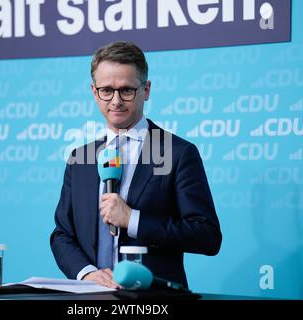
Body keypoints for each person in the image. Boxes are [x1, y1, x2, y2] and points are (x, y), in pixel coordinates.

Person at [50, 41, 221, 289]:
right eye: (106, 90)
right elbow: (62, 234)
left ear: (146, 90)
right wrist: (86, 274)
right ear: (93, 92)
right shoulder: (80, 158)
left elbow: (207, 236)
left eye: (127, 90)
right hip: (90, 296)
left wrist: (132, 219)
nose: (116, 100)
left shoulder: (178, 153)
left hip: (154, 298)